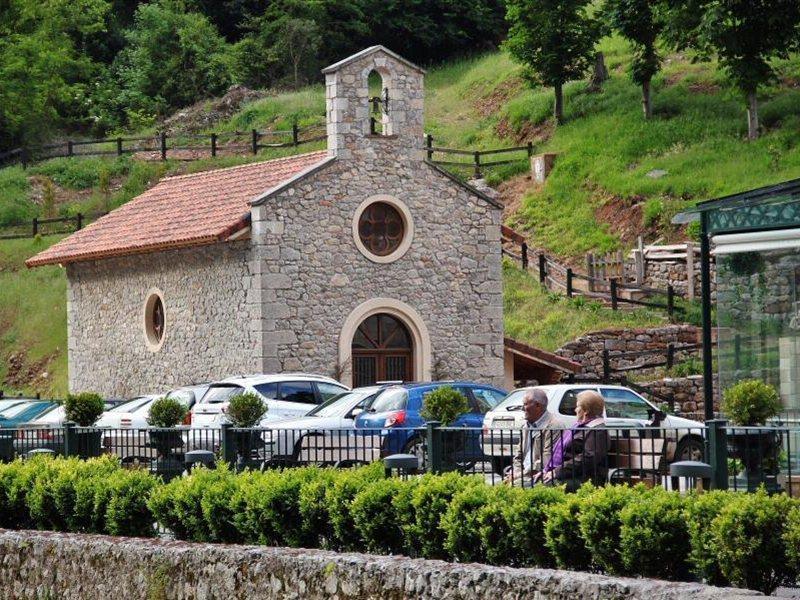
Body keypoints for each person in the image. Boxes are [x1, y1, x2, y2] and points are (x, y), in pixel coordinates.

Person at [540, 390, 609, 492]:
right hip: (570, 474)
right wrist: (549, 471)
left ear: (586, 411)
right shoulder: (581, 427)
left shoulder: (598, 430)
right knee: (531, 483)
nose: (575, 410)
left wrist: (557, 471)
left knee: (539, 486)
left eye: (577, 407)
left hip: (586, 479)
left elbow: (588, 458)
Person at [503, 388, 561, 487]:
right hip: (523, 475)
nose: (522, 408)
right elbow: (518, 455)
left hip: (539, 476)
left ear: (538, 405)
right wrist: (515, 472)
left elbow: (546, 460)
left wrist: (519, 475)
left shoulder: (553, 426)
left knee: (515, 487)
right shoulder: (526, 426)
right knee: (497, 486)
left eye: (525, 404)